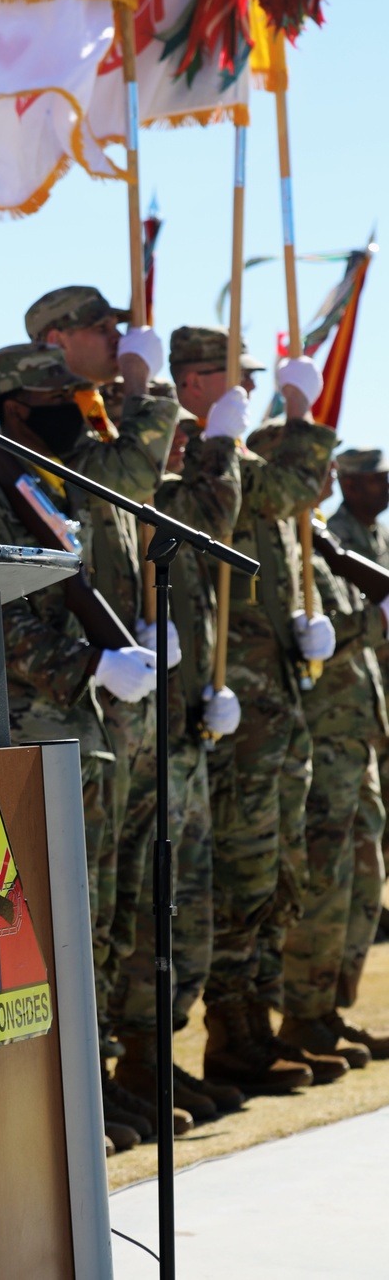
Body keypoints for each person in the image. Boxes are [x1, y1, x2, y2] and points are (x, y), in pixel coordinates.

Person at [0, 342, 164, 1151]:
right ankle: (51, 1109)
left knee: (96, 923)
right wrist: (91, 665)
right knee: (48, 929)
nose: (71, 405)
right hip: (34, 742)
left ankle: (93, 1090)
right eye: (52, 395)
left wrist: (136, 639)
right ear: (12, 408)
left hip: (92, 739)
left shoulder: (63, 493)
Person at [167, 327, 341, 1094]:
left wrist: (297, 621)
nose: (246, 390)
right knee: (238, 880)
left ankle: (258, 1030)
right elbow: (286, 489)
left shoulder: (227, 455)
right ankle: (230, 1038)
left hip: (274, 701)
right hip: (226, 708)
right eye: (233, 378)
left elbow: (293, 502)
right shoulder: (185, 458)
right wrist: (298, 415)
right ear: (196, 382)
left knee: (277, 874)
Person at [24, 285, 178, 1098]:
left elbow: (136, 518)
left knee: (119, 910)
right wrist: (152, 392)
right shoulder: (48, 460)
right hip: (62, 723)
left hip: (121, 715)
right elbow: (139, 470)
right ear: (56, 340)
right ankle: (75, 1094)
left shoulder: (92, 435)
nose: (117, 335)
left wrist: (155, 627)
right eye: (100, 327)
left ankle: (106, 1078)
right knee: (73, 917)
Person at [110, 392, 246, 1121]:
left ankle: (158, 1055)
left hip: (185, 729)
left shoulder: (163, 504)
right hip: (137, 739)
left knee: (185, 907)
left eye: (189, 438)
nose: (179, 446)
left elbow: (218, 522)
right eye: (169, 433)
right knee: (137, 905)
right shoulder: (115, 497)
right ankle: (131, 1061)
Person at [277, 455, 389, 1063]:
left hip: (359, 737)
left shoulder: (324, 537)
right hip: (322, 741)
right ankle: (302, 1014)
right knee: (324, 880)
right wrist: (371, 617)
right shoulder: (298, 541)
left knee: (361, 882)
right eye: (314, 465)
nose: (324, 475)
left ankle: (327, 1011)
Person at [327, 449, 389, 880]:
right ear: (348, 485)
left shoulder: (380, 536)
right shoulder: (335, 539)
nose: (385, 485)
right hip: (349, 700)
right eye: (375, 479)